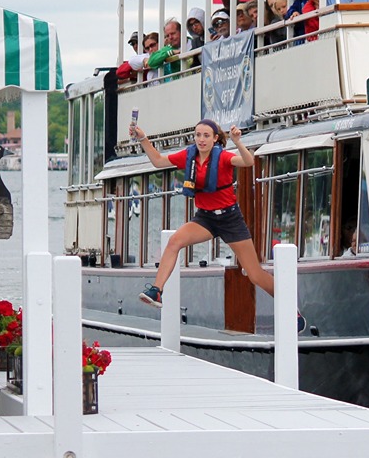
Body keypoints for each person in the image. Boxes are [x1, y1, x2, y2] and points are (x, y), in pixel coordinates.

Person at [130, 119, 305, 331]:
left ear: (215, 138)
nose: (201, 139)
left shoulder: (222, 156)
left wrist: (238, 142)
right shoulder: (188, 156)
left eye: (206, 135)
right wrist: (142, 138)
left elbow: (248, 161)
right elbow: (158, 161)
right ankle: (156, 290)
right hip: (205, 218)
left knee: (254, 273)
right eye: (198, 135)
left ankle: (291, 309)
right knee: (175, 241)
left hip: (230, 218)